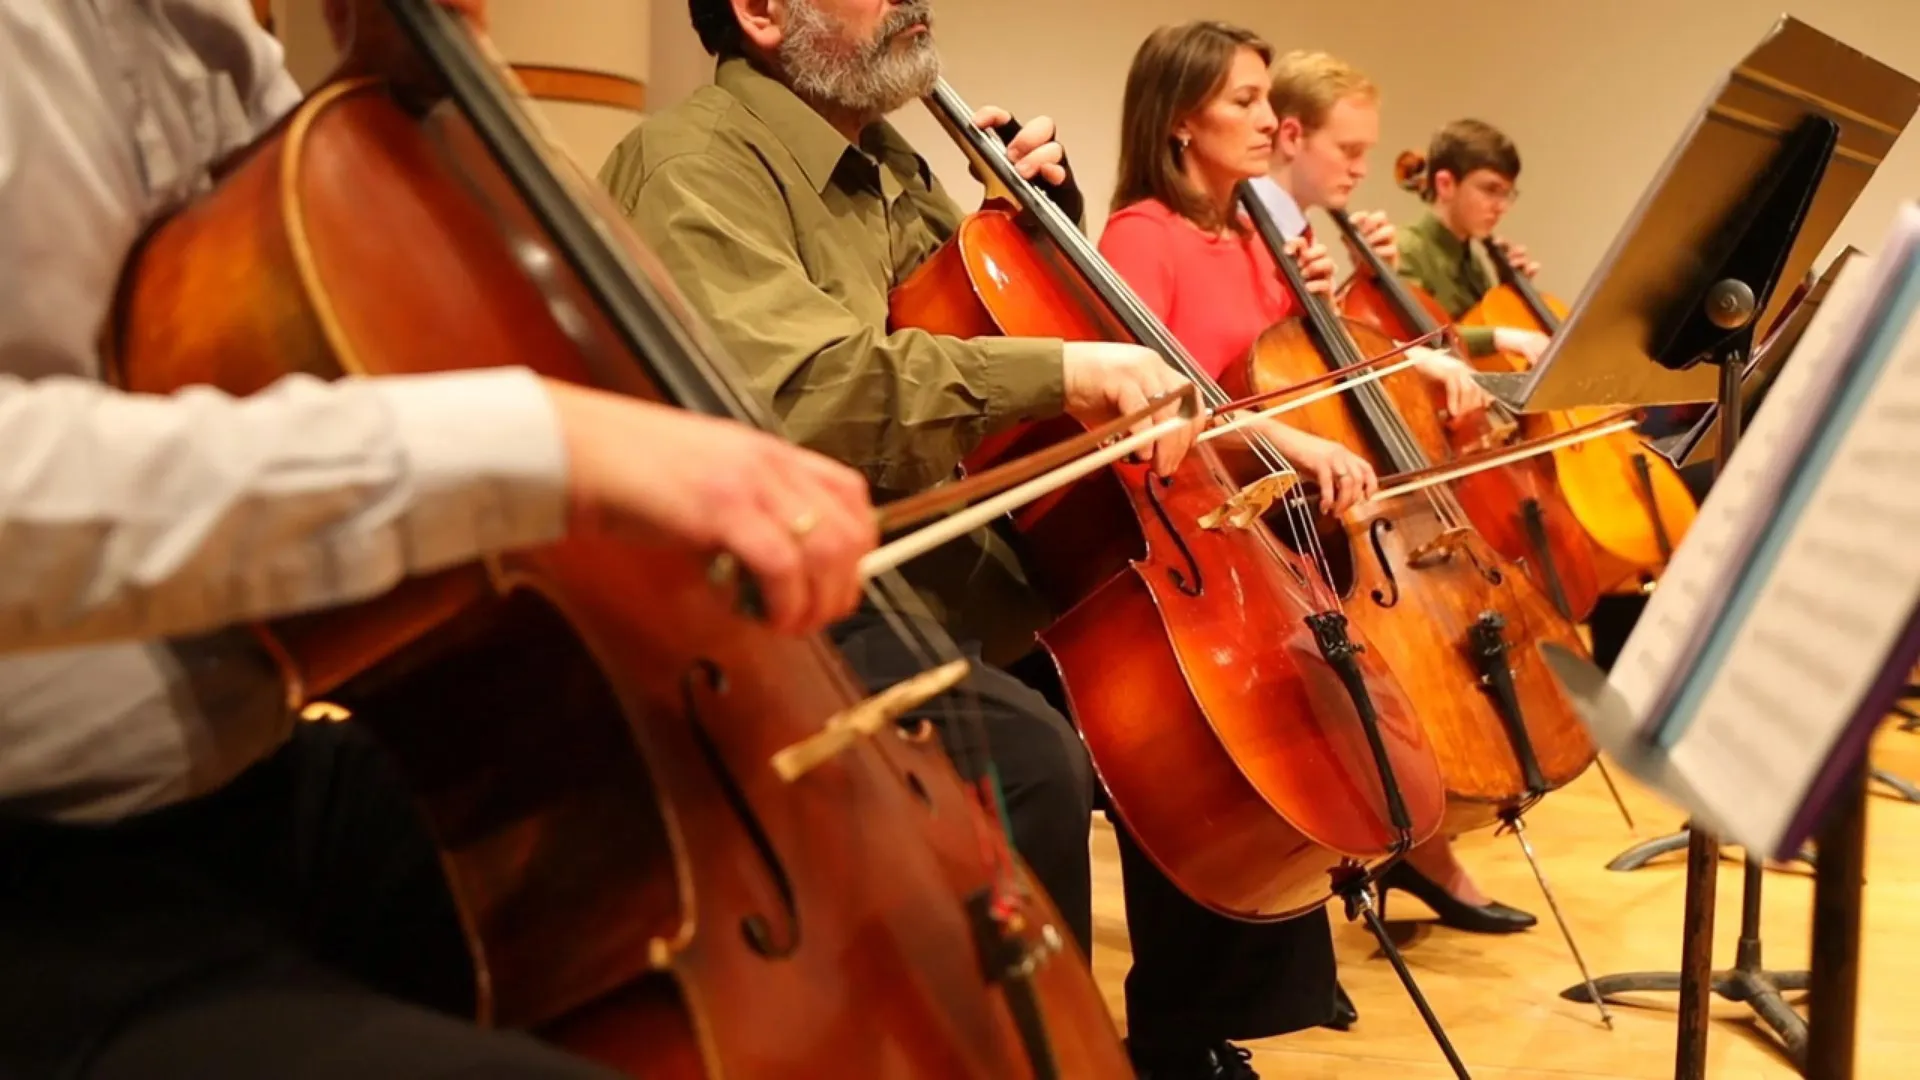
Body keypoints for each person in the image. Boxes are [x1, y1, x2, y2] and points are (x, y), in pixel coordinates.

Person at [0, 2, 892, 1077]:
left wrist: (405, 82)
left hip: (253, 768)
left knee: (801, 866)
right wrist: (544, 438)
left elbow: (331, 311)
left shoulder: (217, 33)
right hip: (46, 871)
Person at [595, 3, 1342, 1076]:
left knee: (1209, 676)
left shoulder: (888, 162)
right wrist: (1066, 371)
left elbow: (979, 328)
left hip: (929, 543)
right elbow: (809, 393)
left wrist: (1035, 226)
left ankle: (1185, 1042)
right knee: (1030, 757)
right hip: (785, 579)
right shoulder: (691, 166)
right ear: (761, 14)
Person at [1098, 31, 1535, 952]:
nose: (1271, 121)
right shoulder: (1143, 236)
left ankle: (1349, 898)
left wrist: (1334, 316)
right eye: (1246, 102)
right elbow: (1158, 393)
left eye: (1267, 101)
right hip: (1208, 532)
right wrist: (1286, 438)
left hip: (1289, 531)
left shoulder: (1254, 234)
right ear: (1180, 121)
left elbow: (1295, 375)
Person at [1392, 118, 1551, 362]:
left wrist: (1511, 292)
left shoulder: (1474, 261)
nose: (1501, 207)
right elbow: (1416, 333)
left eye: (1507, 194)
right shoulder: (1406, 249)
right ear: (1445, 184)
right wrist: (1498, 336)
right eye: (1490, 190)